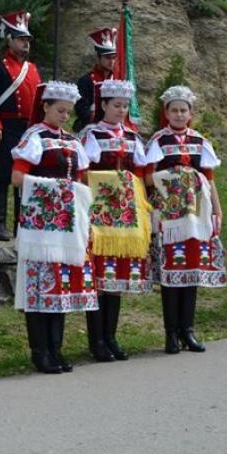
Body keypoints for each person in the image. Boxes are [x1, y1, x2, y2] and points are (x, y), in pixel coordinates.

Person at [10, 81, 94, 374]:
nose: (64, 116)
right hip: (41, 226)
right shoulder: (34, 137)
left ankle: (56, 348)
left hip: (67, 224)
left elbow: (82, 181)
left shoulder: (72, 141)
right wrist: (57, 188)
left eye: (68, 112)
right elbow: (18, 179)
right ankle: (40, 351)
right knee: (39, 286)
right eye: (59, 110)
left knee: (60, 287)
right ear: (45, 107)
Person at [145, 86, 226, 354]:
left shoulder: (200, 141)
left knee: (191, 271)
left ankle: (187, 330)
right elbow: (148, 178)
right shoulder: (158, 140)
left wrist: (217, 210)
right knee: (171, 272)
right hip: (168, 216)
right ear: (166, 112)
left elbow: (210, 179)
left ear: (191, 113)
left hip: (195, 215)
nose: (179, 115)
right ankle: (170, 333)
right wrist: (175, 176)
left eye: (184, 110)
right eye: (174, 110)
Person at [78, 79, 154, 362]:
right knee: (99, 277)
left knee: (115, 277)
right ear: (104, 105)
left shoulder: (133, 137)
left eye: (125, 106)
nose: (121, 111)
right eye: (116, 105)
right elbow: (84, 172)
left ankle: (110, 336)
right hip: (100, 214)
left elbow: (141, 172)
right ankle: (96, 339)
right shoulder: (92, 134)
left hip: (125, 214)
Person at [0, 11, 43, 241]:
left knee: (24, 177)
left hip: (27, 131)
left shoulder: (34, 69)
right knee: (2, 175)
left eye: (27, 40)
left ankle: (21, 224)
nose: (25, 44)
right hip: (5, 128)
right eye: (20, 39)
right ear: (9, 39)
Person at [74, 27, 117, 130]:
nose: (111, 61)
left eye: (113, 57)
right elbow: (81, 110)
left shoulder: (117, 81)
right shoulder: (85, 81)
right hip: (91, 128)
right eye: (107, 58)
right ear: (98, 58)